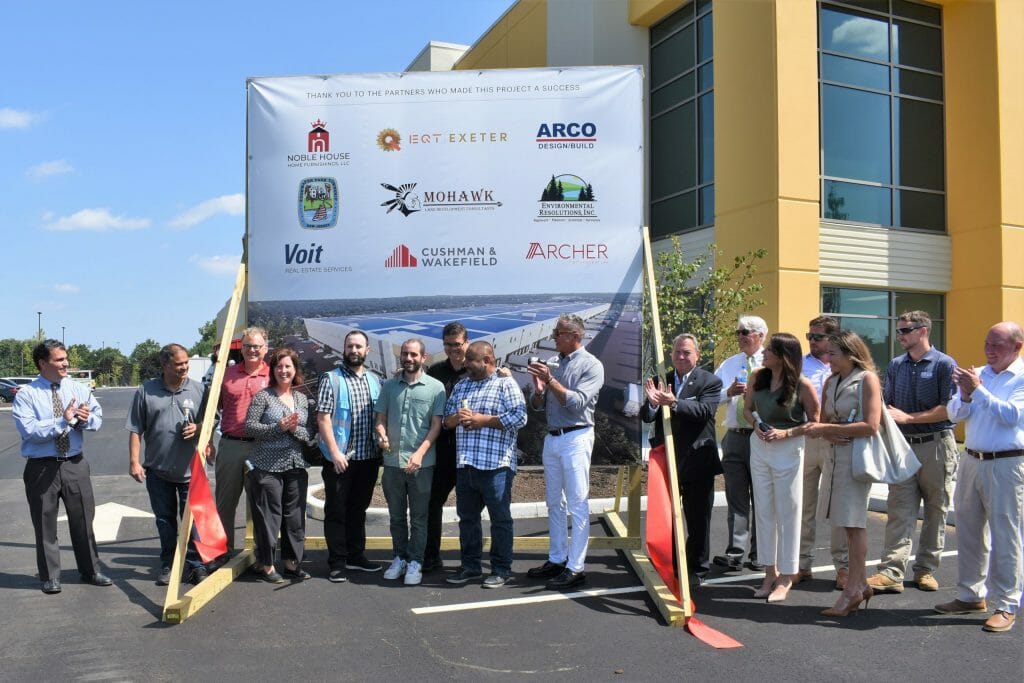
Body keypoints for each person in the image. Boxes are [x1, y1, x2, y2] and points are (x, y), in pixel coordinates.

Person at [934, 321, 1024, 633]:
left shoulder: (1020, 378)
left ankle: (1007, 603)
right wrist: (966, 395)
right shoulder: (980, 375)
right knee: (970, 530)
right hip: (972, 460)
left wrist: (979, 390)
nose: (989, 350)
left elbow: (1012, 416)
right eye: (987, 343)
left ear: (1017, 347)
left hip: (1007, 465)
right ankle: (970, 595)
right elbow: (954, 415)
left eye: (997, 345)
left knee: (1006, 535)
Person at [867, 311, 957, 595]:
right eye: (899, 331)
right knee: (899, 509)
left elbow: (949, 408)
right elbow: (889, 404)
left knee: (936, 509)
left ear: (923, 331)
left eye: (906, 330)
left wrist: (909, 418)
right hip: (903, 447)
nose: (900, 335)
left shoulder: (944, 364)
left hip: (936, 444)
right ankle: (892, 571)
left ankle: (926, 570)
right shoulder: (896, 365)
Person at [13, 339, 111, 594]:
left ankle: (91, 570)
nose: (65, 363)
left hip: (74, 464)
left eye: (65, 358)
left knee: (83, 519)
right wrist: (62, 420)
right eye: (59, 359)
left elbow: (98, 419)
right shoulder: (27, 394)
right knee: (45, 522)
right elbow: (30, 430)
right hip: (41, 468)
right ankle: (50, 576)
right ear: (43, 363)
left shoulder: (78, 388)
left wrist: (83, 420)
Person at [803, 330, 881, 617]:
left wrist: (828, 430)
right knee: (845, 524)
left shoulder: (867, 379)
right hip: (835, 459)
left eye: (833, 353)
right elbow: (824, 420)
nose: (827, 358)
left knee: (853, 524)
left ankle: (853, 591)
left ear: (850, 353)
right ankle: (860, 585)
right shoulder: (832, 381)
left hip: (856, 461)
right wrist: (828, 430)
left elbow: (871, 426)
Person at [526, 314, 605, 590]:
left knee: (577, 503)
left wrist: (551, 381)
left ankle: (576, 567)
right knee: (553, 502)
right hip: (554, 438)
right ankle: (557, 558)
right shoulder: (556, 364)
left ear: (575, 336)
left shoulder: (592, 366)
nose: (553, 337)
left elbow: (577, 403)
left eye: (558, 333)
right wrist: (539, 390)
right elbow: (539, 406)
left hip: (576, 437)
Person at [443, 341, 527, 588]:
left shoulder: (505, 384)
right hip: (466, 465)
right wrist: (458, 417)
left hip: (496, 467)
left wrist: (483, 421)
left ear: (487, 360)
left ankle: (501, 569)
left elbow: (520, 417)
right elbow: (447, 422)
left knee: (500, 520)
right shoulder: (462, 386)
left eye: (471, 359)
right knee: (467, 519)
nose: (465, 363)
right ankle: (470, 566)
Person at [642, 333, 723, 586]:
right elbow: (646, 416)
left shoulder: (710, 381)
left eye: (686, 352)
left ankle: (697, 570)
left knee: (698, 520)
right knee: (668, 517)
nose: (680, 356)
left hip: (698, 461)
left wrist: (675, 402)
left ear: (697, 355)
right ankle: (671, 565)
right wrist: (654, 405)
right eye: (677, 351)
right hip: (667, 460)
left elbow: (704, 411)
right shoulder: (660, 379)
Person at [744, 333, 820, 603]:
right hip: (760, 446)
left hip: (789, 449)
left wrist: (785, 434)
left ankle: (787, 576)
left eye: (770, 350)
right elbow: (747, 409)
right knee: (763, 510)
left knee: (789, 512)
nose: (763, 353)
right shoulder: (758, 376)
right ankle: (769, 573)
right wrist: (757, 426)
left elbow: (814, 423)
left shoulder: (803, 385)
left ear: (784, 356)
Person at [126, 343, 210, 585]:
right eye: (178, 364)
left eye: (186, 363)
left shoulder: (199, 390)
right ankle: (169, 564)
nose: (184, 367)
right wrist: (134, 462)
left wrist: (200, 428)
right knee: (165, 521)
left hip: (190, 471)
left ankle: (196, 565)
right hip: (158, 471)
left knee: (193, 521)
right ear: (165, 365)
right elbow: (135, 429)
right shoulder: (146, 391)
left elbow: (210, 422)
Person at [375, 339, 446, 586]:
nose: (409, 358)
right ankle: (399, 557)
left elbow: (436, 426)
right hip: (392, 463)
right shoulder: (390, 386)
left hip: (421, 465)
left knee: (418, 517)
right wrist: (381, 434)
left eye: (414, 354)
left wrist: (419, 454)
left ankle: (415, 561)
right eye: (405, 354)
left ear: (423, 358)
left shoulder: (436, 388)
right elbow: (381, 418)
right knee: (396, 517)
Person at [317, 330, 383, 582]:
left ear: (367, 351)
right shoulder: (331, 379)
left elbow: (380, 416)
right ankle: (337, 562)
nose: (354, 350)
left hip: (368, 458)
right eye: (350, 346)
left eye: (358, 347)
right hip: (340, 460)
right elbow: (323, 418)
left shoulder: (375, 381)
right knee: (336, 510)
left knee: (358, 509)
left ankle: (356, 556)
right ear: (343, 349)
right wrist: (335, 453)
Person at [244, 346, 313, 583]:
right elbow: (250, 427)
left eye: (288, 366)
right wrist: (278, 427)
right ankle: (266, 564)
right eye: (279, 366)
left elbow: (308, 434)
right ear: (272, 370)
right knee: (268, 518)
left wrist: (295, 429)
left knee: (294, 517)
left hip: (295, 464)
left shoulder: (301, 398)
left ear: (295, 370)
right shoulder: (263, 396)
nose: (284, 371)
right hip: (266, 466)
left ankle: (292, 564)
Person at [712, 315, 768, 571]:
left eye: (746, 332)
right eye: (738, 332)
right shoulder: (729, 364)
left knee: (763, 497)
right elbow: (711, 397)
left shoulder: (771, 364)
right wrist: (729, 393)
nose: (740, 336)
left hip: (761, 437)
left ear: (761, 335)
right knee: (736, 497)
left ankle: (760, 554)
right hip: (734, 436)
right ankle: (735, 553)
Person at [798, 316, 849, 588]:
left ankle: (843, 568)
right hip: (806, 440)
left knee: (836, 508)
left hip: (835, 441)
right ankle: (802, 565)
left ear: (832, 338)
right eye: (810, 336)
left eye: (817, 337)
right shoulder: (799, 365)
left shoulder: (844, 367)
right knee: (804, 506)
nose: (812, 341)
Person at [215, 327, 270, 554]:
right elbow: (213, 409)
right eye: (248, 346)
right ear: (241, 347)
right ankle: (222, 552)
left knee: (262, 505)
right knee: (225, 504)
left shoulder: (274, 374)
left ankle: (263, 557)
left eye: (257, 346)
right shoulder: (226, 375)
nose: (252, 350)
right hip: (230, 445)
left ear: (265, 348)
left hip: (263, 447)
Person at [424, 322, 470, 572]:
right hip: (442, 451)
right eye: (448, 345)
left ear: (467, 342)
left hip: (469, 452)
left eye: (458, 344)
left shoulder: (476, 369)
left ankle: (468, 560)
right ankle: (431, 555)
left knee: (468, 509)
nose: (453, 349)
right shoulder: (435, 372)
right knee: (433, 504)